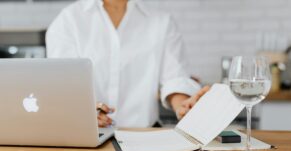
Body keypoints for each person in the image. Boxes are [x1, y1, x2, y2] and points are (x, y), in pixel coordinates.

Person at [46, 0, 209, 128]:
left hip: (143, 137)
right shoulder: (68, 20)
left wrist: (184, 106)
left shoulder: (162, 21)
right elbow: (62, 85)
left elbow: (175, 79)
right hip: (86, 137)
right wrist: (80, 109)